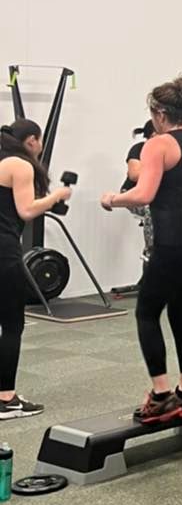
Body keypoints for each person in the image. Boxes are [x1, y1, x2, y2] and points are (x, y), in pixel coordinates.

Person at [100, 77, 182, 423]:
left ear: (159, 114)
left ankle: (161, 397)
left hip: (179, 241)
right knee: (180, 310)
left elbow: (143, 194)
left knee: (147, 312)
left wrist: (112, 199)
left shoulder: (157, 144)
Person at [0, 120, 72, 418]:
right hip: (4, 252)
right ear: (31, 140)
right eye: (39, 141)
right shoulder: (20, 165)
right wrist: (56, 196)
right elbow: (26, 210)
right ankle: (6, 399)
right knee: (12, 325)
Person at [122, 121, 155, 263]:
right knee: (152, 208)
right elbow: (134, 174)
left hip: (156, 194)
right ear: (153, 135)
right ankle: (151, 252)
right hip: (132, 194)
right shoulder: (139, 149)